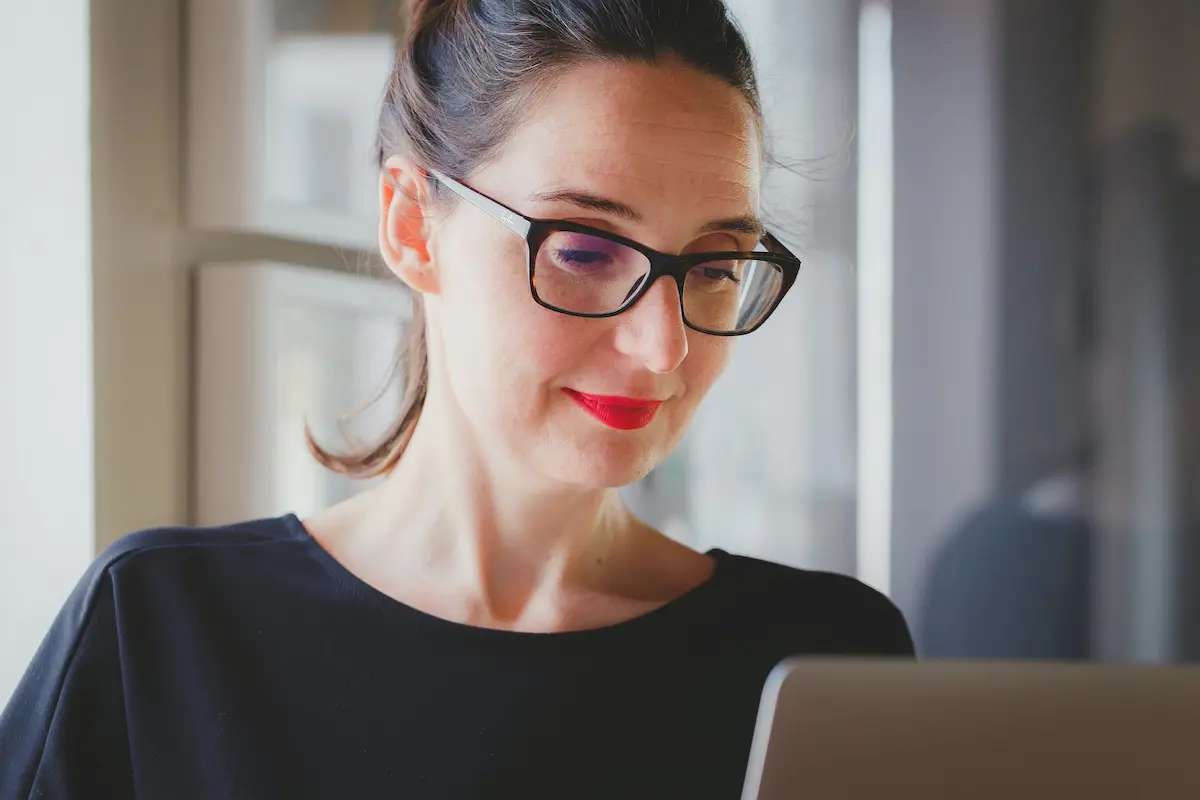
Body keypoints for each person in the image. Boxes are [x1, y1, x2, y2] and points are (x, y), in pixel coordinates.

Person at [0, 0, 913, 797]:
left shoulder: (820, 661)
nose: (662, 346)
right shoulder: (160, 630)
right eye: (583, 250)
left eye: (714, 268)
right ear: (411, 224)